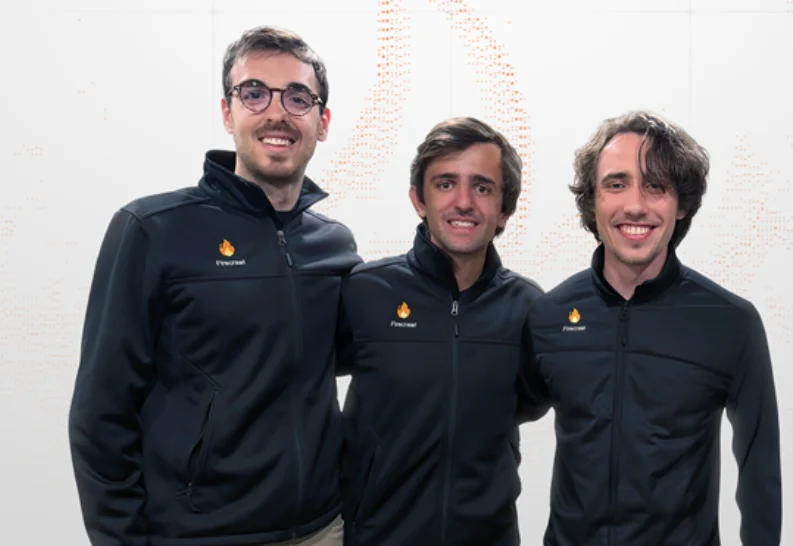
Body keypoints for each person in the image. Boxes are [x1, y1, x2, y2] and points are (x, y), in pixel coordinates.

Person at [68, 26, 360, 546]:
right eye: (255, 93)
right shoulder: (153, 230)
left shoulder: (334, 245)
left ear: (323, 122)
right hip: (201, 533)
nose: (277, 113)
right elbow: (100, 413)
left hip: (322, 529)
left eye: (298, 97)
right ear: (228, 112)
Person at [518, 111, 782, 545]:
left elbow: (760, 473)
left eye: (656, 186)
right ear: (593, 201)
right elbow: (494, 423)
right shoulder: (548, 316)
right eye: (616, 184)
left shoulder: (731, 323)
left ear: (682, 204)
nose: (635, 205)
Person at [336, 117, 543, 546]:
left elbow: (530, 403)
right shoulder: (365, 291)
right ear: (419, 199)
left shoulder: (528, 308)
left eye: (482, 187)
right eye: (445, 184)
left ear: (505, 209)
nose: (463, 202)